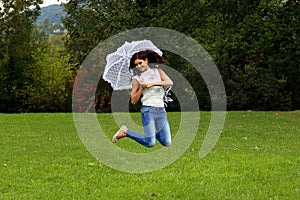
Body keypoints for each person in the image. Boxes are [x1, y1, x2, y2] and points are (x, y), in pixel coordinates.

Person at [112, 50, 173, 147]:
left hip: (161, 109)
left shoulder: (158, 71)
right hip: (148, 110)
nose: (139, 66)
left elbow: (169, 82)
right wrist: (141, 88)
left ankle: (151, 135)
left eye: (140, 63)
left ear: (146, 60)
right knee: (150, 143)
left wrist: (153, 83)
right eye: (136, 65)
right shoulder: (136, 79)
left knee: (167, 142)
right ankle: (126, 132)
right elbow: (133, 100)